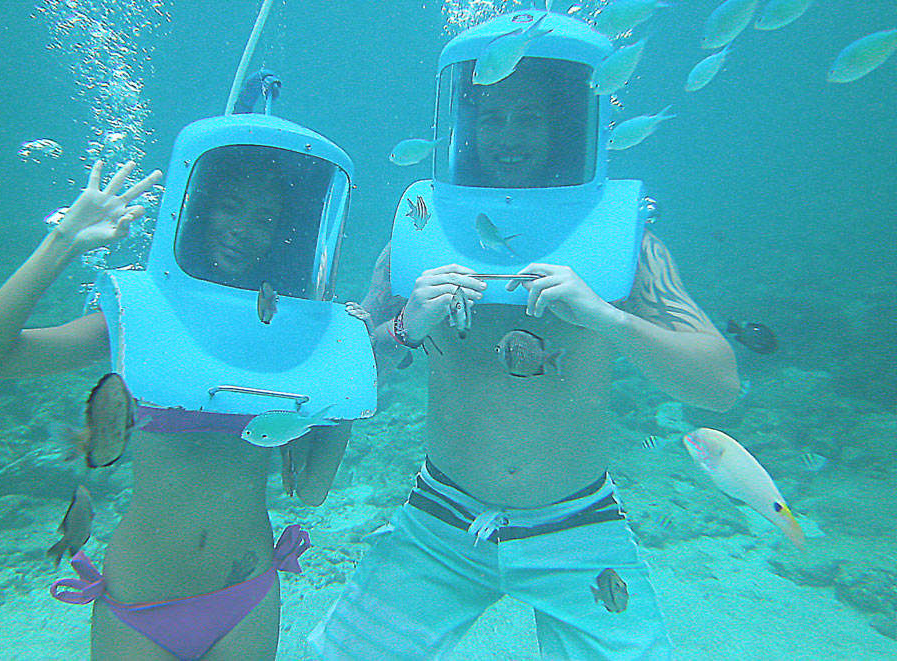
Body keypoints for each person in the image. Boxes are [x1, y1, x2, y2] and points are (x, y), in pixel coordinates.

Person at [310, 12, 739, 661]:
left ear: (562, 124)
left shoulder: (624, 244)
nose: (507, 136)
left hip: (579, 523)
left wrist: (605, 317)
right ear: (466, 125)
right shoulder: (421, 234)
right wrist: (404, 326)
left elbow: (719, 385)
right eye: (492, 117)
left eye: (529, 118)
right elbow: (338, 391)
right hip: (440, 517)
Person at [0, 79, 376, 660]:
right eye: (229, 206)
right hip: (139, 603)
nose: (242, 227)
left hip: (249, 596)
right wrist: (64, 242)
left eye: (263, 217)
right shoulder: (144, 316)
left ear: (281, 232)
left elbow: (311, 490)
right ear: (197, 208)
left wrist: (347, 367)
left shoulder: (294, 335)